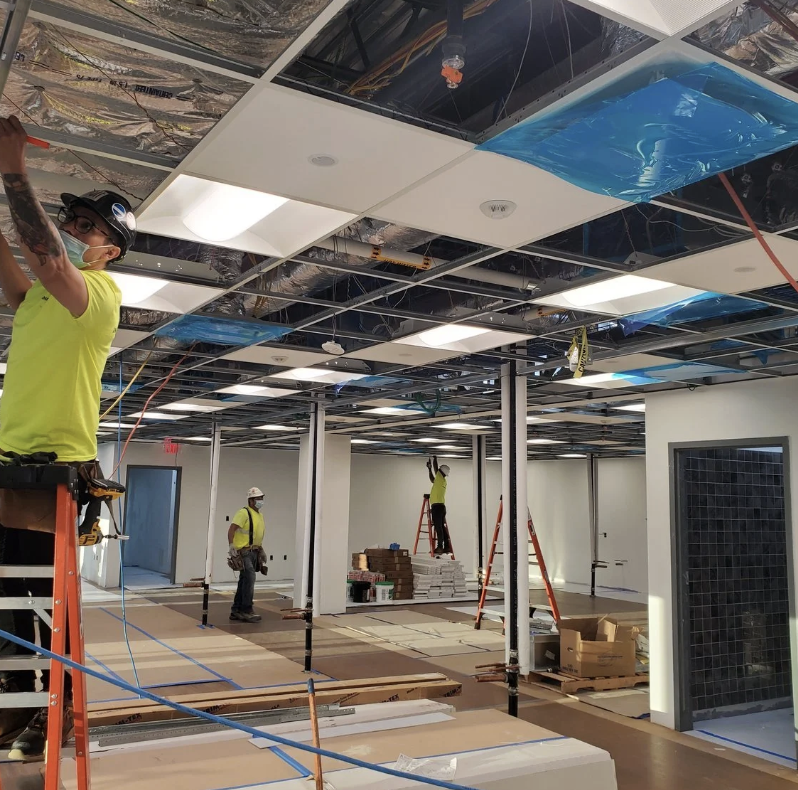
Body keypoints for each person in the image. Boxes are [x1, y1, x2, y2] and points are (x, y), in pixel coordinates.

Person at [0, 114, 136, 761]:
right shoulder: (36, 303)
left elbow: (45, 256)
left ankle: (55, 712)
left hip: (57, 470)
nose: (76, 230)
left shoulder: (101, 296)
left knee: (45, 603)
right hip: (8, 463)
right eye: (73, 220)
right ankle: (16, 701)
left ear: (112, 246)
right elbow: (16, 258)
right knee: (6, 602)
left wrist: (12, 170)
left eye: (89, 225)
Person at [228, 487, 267, 624]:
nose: (260, 501)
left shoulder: (259, 515)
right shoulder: (243, 513)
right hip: (243, 552)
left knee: (244, 581)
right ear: (250, 500)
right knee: (250, 579)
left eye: (261, 498)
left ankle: (236, 610)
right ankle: (246, 610)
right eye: (257, 499)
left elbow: (256, 534)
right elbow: (232, 529)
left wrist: (260, 549)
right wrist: (232, 546)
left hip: (254, 552)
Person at [426, 456, 451, 556]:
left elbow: (436, 470)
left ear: (441, 472)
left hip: (437, 507)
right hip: (441, 507)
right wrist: (429, 469)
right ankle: (446, 546)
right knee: (441, 527)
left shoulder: (440, 478)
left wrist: (434, 459)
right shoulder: (440, 481)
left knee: (438, 527)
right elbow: (432, 479)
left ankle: (440, 547)